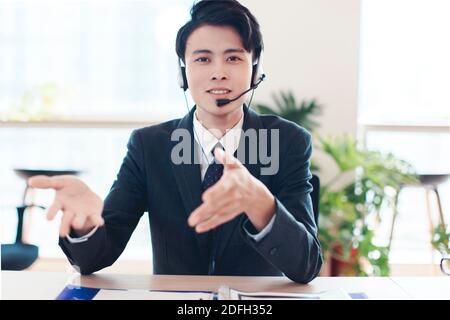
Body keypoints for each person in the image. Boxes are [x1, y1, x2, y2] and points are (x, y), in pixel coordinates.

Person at [29, 0, 322, 284]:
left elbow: (306, 266)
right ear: (183, 71)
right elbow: (93, 260)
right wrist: (85, 225)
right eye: (203, 59)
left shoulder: (287, 142)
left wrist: (263, 205)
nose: (218, 72)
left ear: (254, 69)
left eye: (233, 57)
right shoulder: (149, 146)